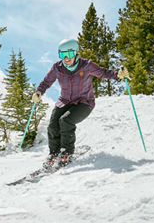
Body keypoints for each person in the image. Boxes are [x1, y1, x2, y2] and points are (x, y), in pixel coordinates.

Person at [32, 38, 128, 168]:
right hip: (64, 101)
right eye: (62, 55)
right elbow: (46, 82)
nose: (66, 58)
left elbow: (103, 73)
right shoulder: (57, 68)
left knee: (65, 121)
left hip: (84, 102)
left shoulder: (86, 65)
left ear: (76, 53)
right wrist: (39, 92)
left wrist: (118, 75)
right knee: (53, 126)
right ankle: (53, 153)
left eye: (70, 54)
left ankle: (66, 152)